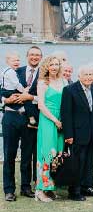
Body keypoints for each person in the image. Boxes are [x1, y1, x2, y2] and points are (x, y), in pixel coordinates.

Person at [3, 46, 43, 201]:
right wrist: (5, 100)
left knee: (27, 155)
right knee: (9, 155)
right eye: (32, 54)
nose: (34, 57)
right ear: (27, 56)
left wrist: (30, 98)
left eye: (37, 55)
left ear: (41, 57)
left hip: (30, 119)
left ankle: (26, 187)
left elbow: (45, 99)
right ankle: (9, 190)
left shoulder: (43, 75)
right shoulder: (13, 71)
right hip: (11, 117)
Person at [60, 63, 93, 201]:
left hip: (92, 133)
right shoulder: (69, 90)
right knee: (77, 163)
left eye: (91, 74)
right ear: (79, 76)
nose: (88, 77)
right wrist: (69, 135)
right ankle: (75, 191)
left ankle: (87, 187)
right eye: (85, 74)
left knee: (89, 162)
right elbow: (66, 114)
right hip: (77, 134)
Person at [34, 56, 65, 202]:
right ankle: (40, 189)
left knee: (57, 153)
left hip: (61, 119)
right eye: (51, 64)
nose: (54, 67)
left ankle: (50, 188)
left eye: (57, 64)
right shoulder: (43, 82)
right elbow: (41, 105)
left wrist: (62, 120)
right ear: (46, 66)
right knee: (46, 153)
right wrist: (55, 120)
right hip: (48, 120)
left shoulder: (62, 81)